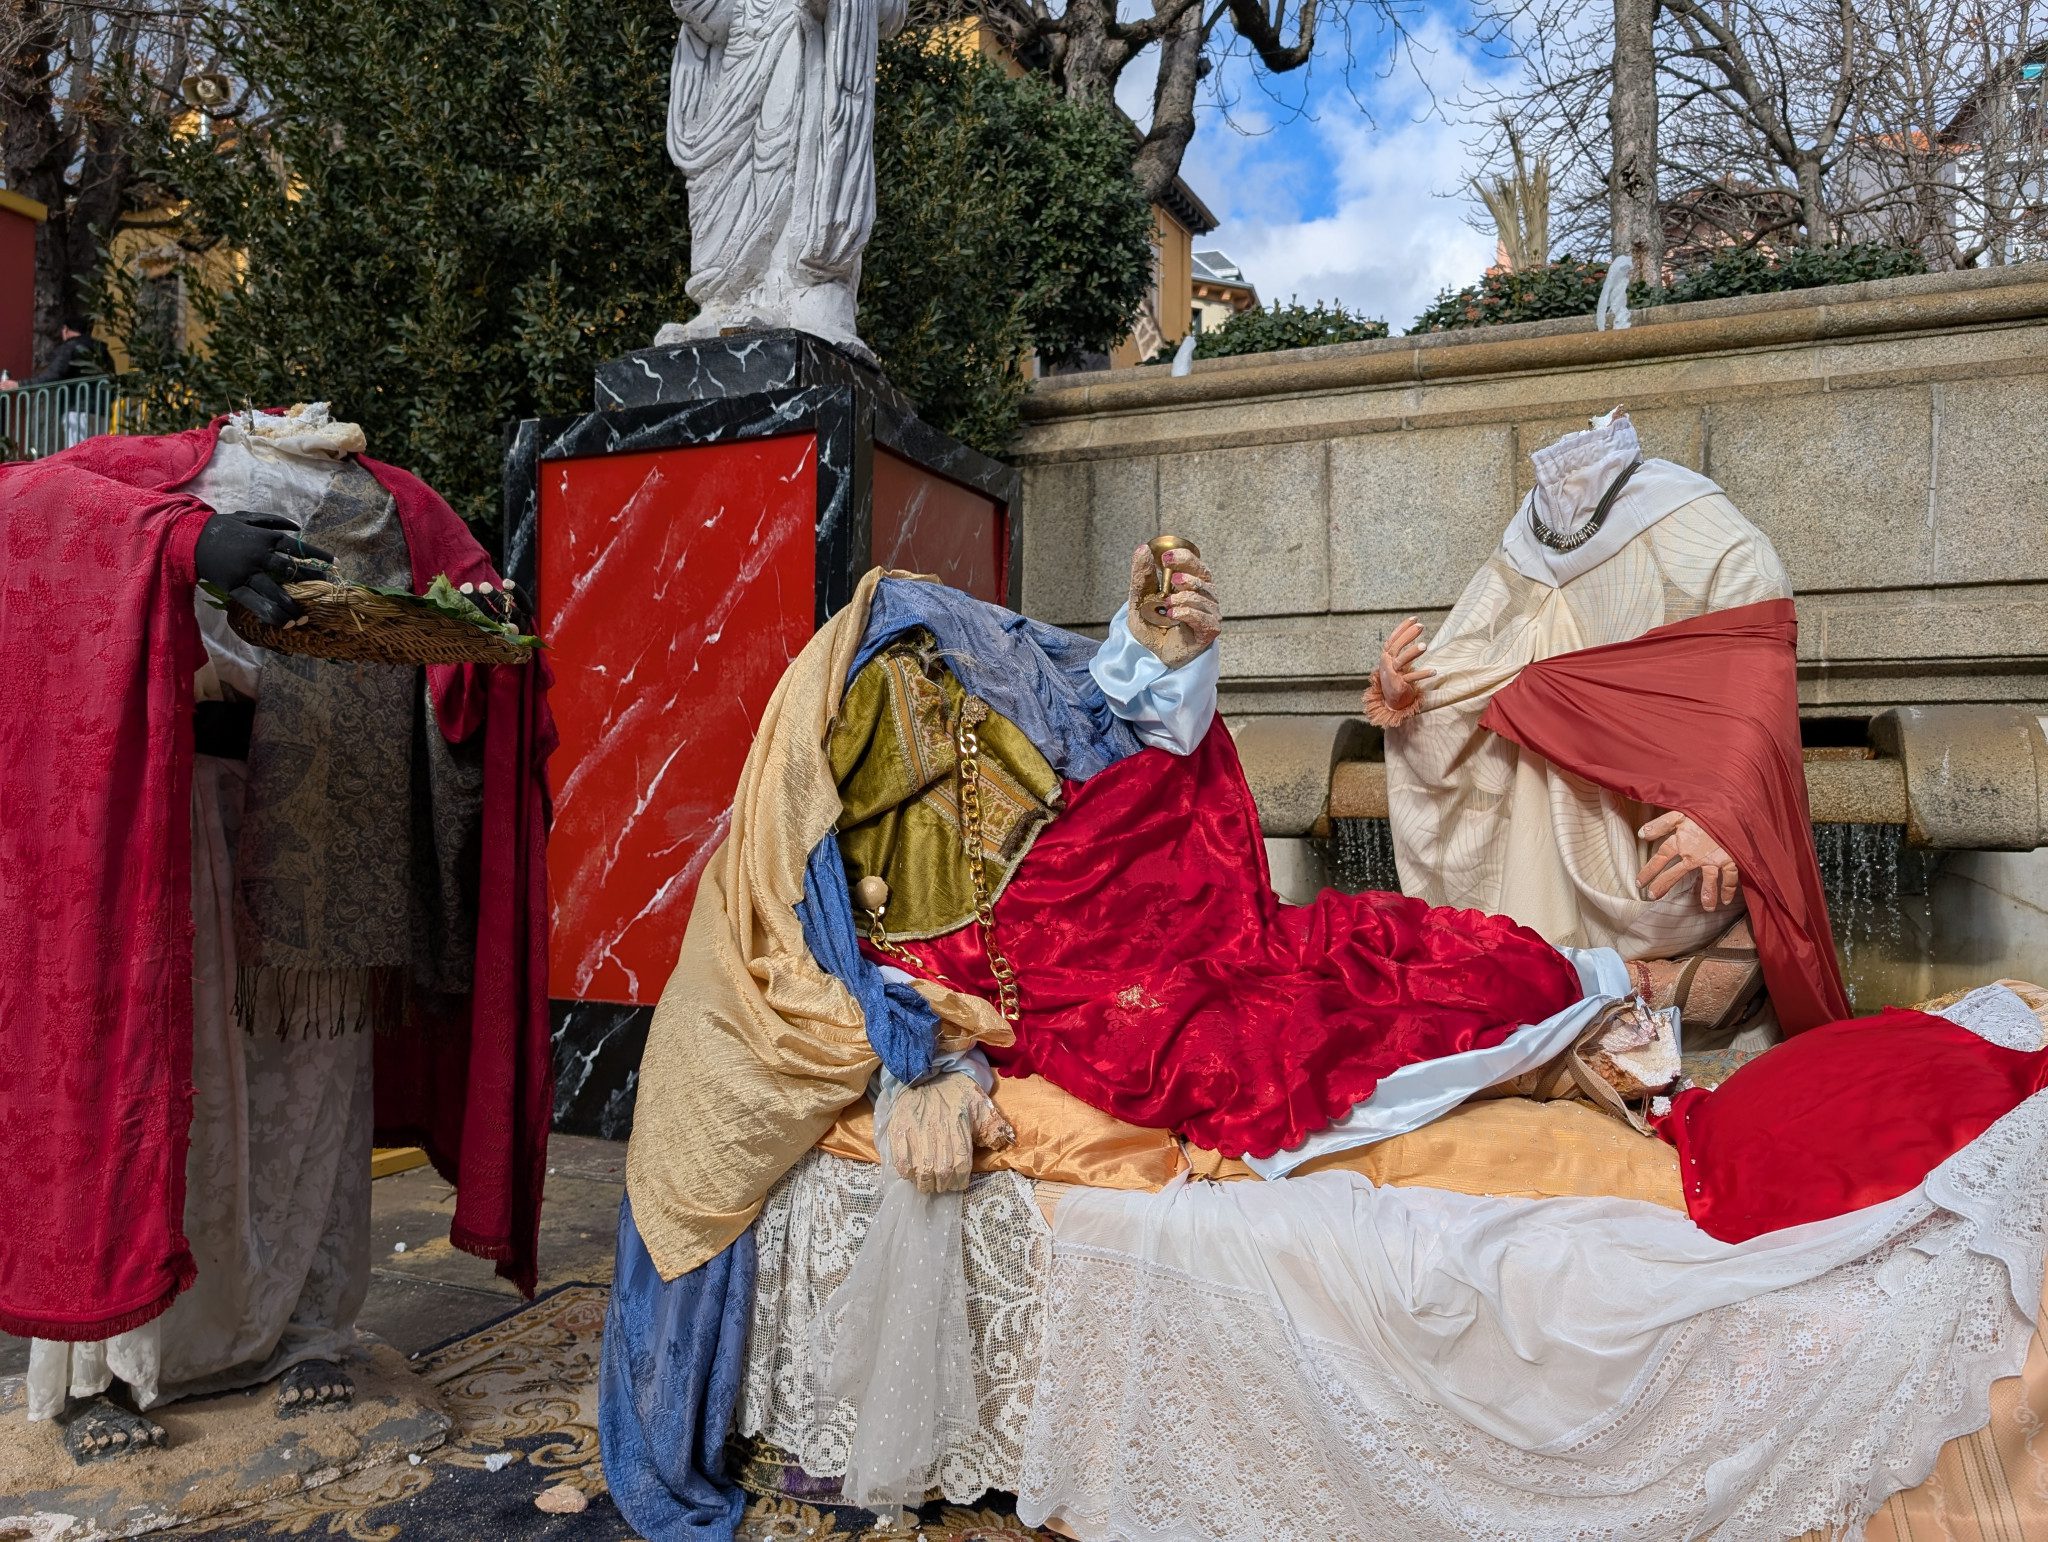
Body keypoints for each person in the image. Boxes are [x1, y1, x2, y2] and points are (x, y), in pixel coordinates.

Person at [0, 406, 555, 1464]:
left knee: (314, 1091)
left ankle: (307, 1330)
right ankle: (112, 1366)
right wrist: (181, 543)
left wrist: (479, 632)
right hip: (168, 814)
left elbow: (464, 623)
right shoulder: (146, 471)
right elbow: (22, 516)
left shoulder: (393, 500)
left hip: (326, 808)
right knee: (162, 1080)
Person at [1367, 408, 1848, 1044]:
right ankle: (1551, 1010)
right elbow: (1475, 658)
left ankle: (1632, 1006)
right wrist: (1411, 696)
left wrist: (1724, 812)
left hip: (1644, 823)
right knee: (1531, 963)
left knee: (1674, 948)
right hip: (1537, 809)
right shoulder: (1531, 533)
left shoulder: (1699, 525)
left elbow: (1751, 680)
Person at [0, 313, 115, 390]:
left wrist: (19, 385)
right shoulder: (101, 348)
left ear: (65, 329)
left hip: (76, 409)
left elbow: (52, 375)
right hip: (102, 410)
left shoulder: (70, 347)